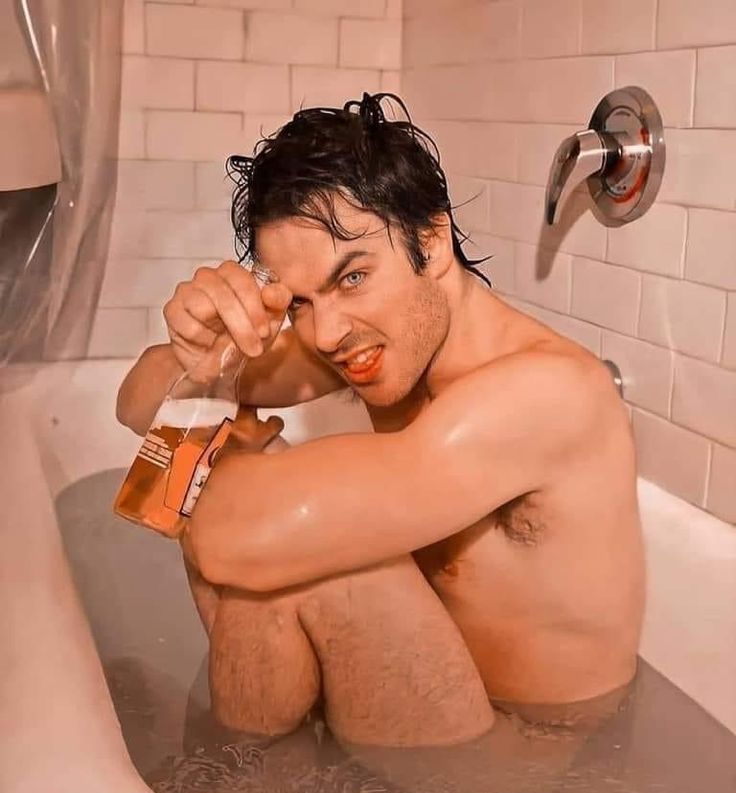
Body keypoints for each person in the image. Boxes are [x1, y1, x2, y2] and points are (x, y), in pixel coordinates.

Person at [116, 93, 645, 749]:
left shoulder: (548, 394)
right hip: (403, 712)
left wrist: (223, 449)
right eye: (301, 302)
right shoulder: (374, 346)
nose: (329, 331)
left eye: (353, 277)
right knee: (273, 524)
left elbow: (228, 539)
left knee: (307, 556)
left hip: (516, 765)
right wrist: (205, 356)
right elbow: (135, 400)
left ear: (433, 240)